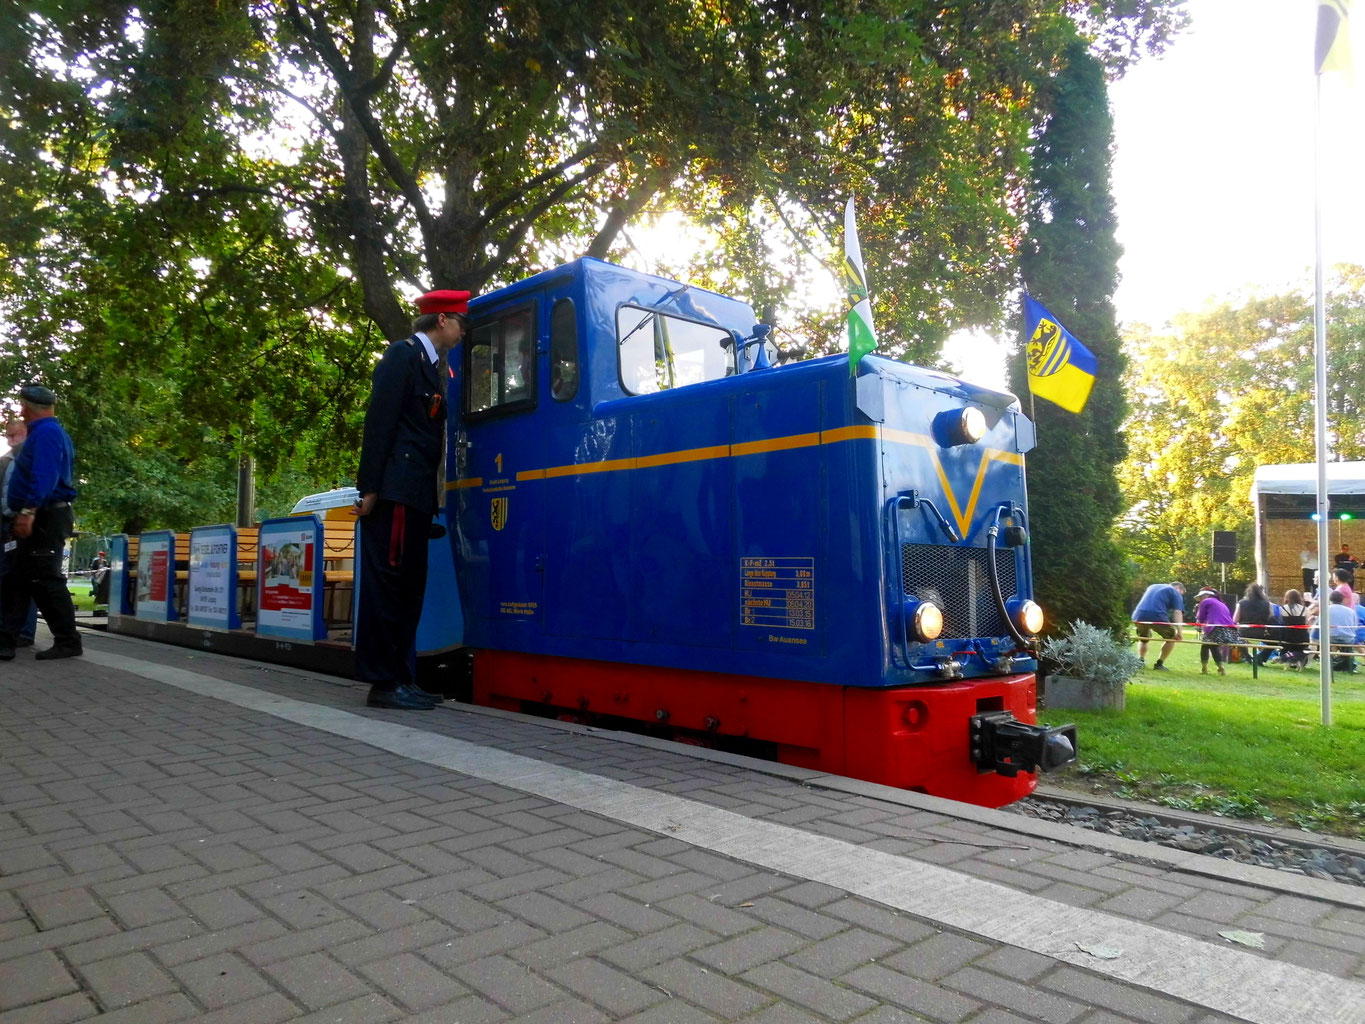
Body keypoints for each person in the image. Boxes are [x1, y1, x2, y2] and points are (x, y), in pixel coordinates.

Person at [354, 288, 471, 710]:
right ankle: (383, 683)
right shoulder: (401, 357)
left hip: (417, 494)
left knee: (409, 589)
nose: (462, 332)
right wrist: (369, 488)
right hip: (396, 491)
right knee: (389, 587)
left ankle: (403, 676)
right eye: (460, 322)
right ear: (442, 320)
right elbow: (379, 424)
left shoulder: (430, 366)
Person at [0, 385, 81, 661]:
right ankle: (7, 640)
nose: (21, 411)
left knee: (45, 579)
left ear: (29, 407)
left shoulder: (47, 433)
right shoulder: (48, 433)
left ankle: (68, 640)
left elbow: (44, 476)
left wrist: (28, 511)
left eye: (23, 406)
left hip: (44, 516)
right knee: (18, 579)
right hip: (42, 514)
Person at [0, 417, 39, 647]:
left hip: (25, 523)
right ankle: (6, 629)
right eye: (8, 436)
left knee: (26, 577)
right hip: (5, 524)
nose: (11, 440)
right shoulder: (4, 462)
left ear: (25, 434)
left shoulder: (32, 459)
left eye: (15, 435)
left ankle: (25, 632)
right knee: (5, 576)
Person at [1130, 581, 1185, 671]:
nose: (1180, 596)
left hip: (1138, 615)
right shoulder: (1175, 592)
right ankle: (1159, 664)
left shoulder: (1153, 586)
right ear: (1178, 588)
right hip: (1157, 616)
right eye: (1181, 594)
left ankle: (1140, 661)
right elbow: (1178, 612)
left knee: (1144, 637)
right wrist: (1180, 632)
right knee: (1171, 637)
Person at [1194, 588, 1237, 675]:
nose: (1200, 600)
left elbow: (1200, 617)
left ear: (1205, 596)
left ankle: (1204, 668)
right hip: (1230, 632)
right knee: (1213, 645)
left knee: (1205, 645)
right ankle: (1220, 668)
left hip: (1216, 629)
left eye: (1201, 597)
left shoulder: (1206, 601)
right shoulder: (1221, 603)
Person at [1233, 582, 1276, 667]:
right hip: (1261, 633)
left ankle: (1247, 656)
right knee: (1275, 641)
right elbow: (1271, 617)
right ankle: (1260, 657)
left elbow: (1235, 619)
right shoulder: (1268, 604)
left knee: (1238, 638)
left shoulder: (1241, 603)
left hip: (1244, 632)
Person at [1325, 590, 1358, 672]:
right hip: (1348, 638)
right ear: (1342, 600)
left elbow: (1321, 624)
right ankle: (1347, 663)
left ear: (1330, 600)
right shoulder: (1351, 611)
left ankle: (1332, 662)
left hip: (1332, 637)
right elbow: (1355, 626)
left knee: (1331, 640)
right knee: (1345, 644)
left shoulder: (1326, 610)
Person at [1278, 589, 1310, 670]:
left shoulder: (1282, 609)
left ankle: (1285, 657)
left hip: (1287, 636)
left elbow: (1280, 622)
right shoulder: (1305, 609)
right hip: (1302, 636)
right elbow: (1306, 623)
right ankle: (1296, 657)